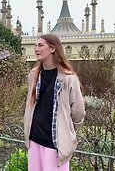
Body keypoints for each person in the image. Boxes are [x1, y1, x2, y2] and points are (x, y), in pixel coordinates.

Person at [24, 34, 86, 171]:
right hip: (34, 139)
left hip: (55, 144)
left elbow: (78, 113)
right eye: (35, 45)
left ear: (52, 49)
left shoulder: (68, 78)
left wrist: (66, 130)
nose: (36, 49)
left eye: (40, 45)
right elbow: (30, 105)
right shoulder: (34, 75)